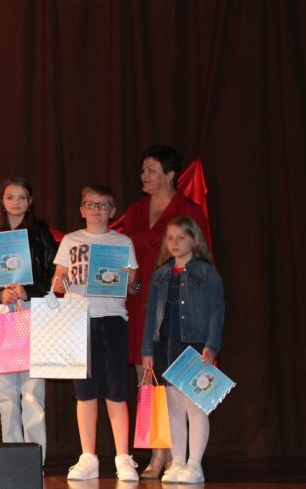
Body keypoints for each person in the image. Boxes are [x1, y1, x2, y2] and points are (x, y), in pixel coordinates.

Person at [122, 145, 212, 477]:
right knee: (146, 380)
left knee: (179, 384)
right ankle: (157, 452)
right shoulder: (135, 211)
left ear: (170, 175)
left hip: (177, 308)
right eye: (142, 170)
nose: (143, 175)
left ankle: (180, 457)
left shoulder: (189, 210)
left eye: (151, 170)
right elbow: (124, 259)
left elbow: (202, 262)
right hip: (140, 304)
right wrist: (128, 283)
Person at [53, 185, 140, 482]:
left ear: (112, 211)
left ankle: (122, 458)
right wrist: (59, 284)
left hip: (113, 319)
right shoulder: (71, 240)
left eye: (103, 205)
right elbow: (57, 282)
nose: (96, 210)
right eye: (91, 204)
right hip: (78, 320)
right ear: (82, 210)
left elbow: (134, 287)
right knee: (85, 392)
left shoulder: (122, 242)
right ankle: (88, 457)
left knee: (116, 391)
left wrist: (131, 280)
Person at [0, 177, 55, 462]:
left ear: (30, 201)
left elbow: (53, 272)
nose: (16, 203)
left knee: (33, 391)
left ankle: (34, 458)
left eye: (22, 197)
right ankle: (11, 457)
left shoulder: (39, 231)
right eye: (10, 197)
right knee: (6, 392)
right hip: (2, 313)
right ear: (2, 200)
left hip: (33, 310)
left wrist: (28, 290)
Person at [142, 217, 224, 484]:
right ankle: (177, 461)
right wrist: (147, 349)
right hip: (165, 345)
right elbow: (151, 315)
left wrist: (211, 345)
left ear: (194, 239)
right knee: (173, 408)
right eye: (170, 238)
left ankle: (194, 464)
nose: (175, 243)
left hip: (194, 346)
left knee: (195, 406)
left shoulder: (206, 273)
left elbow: (217, 312)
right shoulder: (161, 274)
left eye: (181, 237)